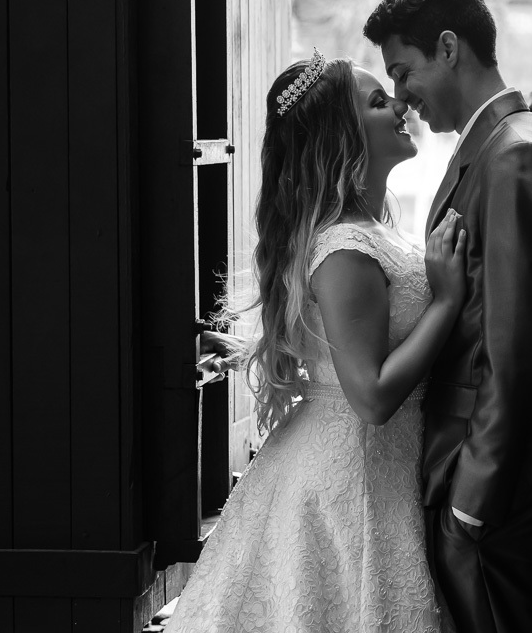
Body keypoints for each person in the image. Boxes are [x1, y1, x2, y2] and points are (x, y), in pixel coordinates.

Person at [169, 49, 466, 632]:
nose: (400, 105)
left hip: (378, 469)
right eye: (378, 102)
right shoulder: (344, 250)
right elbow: (371, 397)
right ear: (342, 136)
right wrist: (448, 301)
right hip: (349, 477)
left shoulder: (374, 230)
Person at [364, 0, 532, 633]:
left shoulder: (513, 158)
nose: (402, 96)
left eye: (403, 72)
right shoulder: (491, 147)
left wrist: (469, 506)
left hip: (490, 500)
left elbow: (518, 353)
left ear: (449, 47)